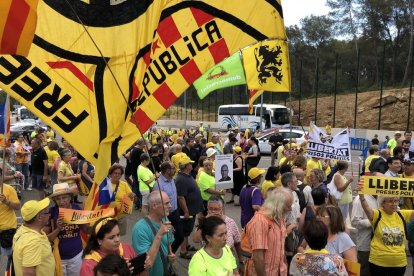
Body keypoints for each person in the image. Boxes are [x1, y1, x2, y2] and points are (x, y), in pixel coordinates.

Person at [358, 182, 414, 275]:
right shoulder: (377, 214)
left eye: (396, 201)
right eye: (390, 201)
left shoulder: (402, 214)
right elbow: (366, 208)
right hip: (378, 263)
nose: (394, 204)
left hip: (399, 263)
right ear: (382, 203)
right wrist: (362, 197)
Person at [244, 188, 293, 275]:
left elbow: (281, 246)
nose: (290, 210)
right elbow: (258, 257)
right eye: (288, 206)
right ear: (279, 206)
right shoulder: (260, 221)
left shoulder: (279, 218)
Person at [192, 196, 243, 272]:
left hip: (228, 262)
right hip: (209, 263)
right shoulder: (205, 223)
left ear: (222, 209)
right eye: (210, 209)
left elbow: (237, 242)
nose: (213, 212)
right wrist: (205, 221)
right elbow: (195, 239)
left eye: (216, 209)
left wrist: (241, 261)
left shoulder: (230, 222)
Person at [44, 183, 84, 276]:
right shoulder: (51, 212)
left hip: (76, 256)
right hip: (58, 257)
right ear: (54, 200)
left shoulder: (77, 209)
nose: (61, 201)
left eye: (64, 197)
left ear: (70, 197)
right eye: (58, 199)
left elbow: (86, 230)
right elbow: (46, 239)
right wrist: (58, 229)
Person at [132, 191, 175, 276]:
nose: (170, 206)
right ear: (154, 206)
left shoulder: (165, 220)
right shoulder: (140, 228)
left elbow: (169, 242)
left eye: (169, 202)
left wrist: (171, 256)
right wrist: (159, 235)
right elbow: (146, 263)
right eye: (166, 203)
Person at [13, 198, 55, 275]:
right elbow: (28, 273)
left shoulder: (23, 229)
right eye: (47, 213)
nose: (49, 215)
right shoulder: (33, 241)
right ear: (39, 217)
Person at [175, 156, 204, 259]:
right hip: (187, 211)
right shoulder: (181, 179)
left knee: (187, 230)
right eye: (190, 164)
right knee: (184, 231)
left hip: (192, 209)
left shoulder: (187, 175)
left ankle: (186, 246)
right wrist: (186, 211)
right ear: (186, 166)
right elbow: (181, 197)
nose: (192, 165)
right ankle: (183, 251)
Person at [351, 190, 378, 276]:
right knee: (364, 271)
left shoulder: (383, 198)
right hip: (365, 245)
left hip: (380, 247)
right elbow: (355, 222)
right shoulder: (360, 199)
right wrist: (374, 221)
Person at [107, 164, 135, 235]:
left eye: (119, 174)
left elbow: (131, 196)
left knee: (119, 236)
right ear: (111, 174)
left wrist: (132, 196)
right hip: (108, 217)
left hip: (121, 217)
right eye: (115, 173)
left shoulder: (124, 184)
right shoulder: (105, 184)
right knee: (109, 236)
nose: (117, 175)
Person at [0, 169, 20, 265]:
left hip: (8, 229)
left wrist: (6, 202)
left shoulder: (8, 189)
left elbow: (17, 206)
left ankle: (10, 272)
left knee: (11, 257)